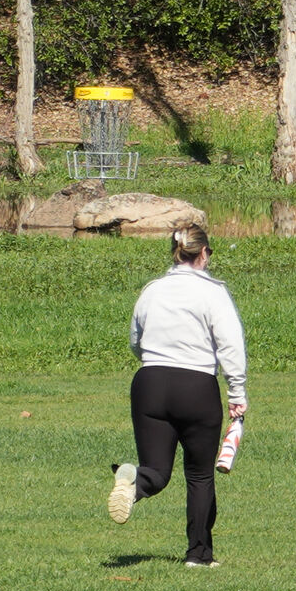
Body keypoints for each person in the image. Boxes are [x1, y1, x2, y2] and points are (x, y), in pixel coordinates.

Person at [108, 220, 248, 566]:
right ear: (203, 253)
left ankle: (136, 483)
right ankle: (198, 555)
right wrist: (237, 391)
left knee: (157, 471)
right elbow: (230, 344)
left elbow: (135, 341)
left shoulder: (152, 290)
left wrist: (154, 361)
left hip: (149, 383)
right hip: (196, 386)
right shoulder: (213, 292)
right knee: (199, 476)